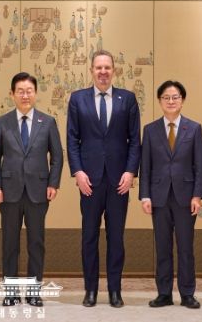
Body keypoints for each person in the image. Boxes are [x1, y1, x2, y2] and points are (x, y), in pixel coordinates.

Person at [66, 50, 140, 308]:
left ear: (114, 70)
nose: (103, 72)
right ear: (91, 71)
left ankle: (115, 291)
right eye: (98, 67)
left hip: (119, 181)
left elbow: (135, 140)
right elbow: (72, 139)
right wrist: (78, 172)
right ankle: (91, 291)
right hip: (89, 181)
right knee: (89, 237)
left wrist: (130, 172)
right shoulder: (78, 99)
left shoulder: (127, 99)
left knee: (116, 238)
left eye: (107, 67)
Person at [0, 72, 63, 307]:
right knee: (10, 244)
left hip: (38, 192)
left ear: (36, 93)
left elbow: (57, 157)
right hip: (8, 192)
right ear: (12, 94)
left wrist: (53, 183)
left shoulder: (47, 122)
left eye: (29, 91)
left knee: (36, 244)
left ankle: (33, 292)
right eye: (20, 91)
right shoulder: (2, 122)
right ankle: (10, 293)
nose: (25, 95)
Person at [139, 80, 202, 309]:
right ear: (160, 101)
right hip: (158, 197)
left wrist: (197, 196)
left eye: (175, 97)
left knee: (186, 247)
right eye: (166, 97)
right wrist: (145, 196)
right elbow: (145, 166)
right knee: (162, 247)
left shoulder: (194, 128)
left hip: (186, 198)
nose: (171, 101)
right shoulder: (150, 130)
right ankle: (164, 293)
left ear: (182, 100)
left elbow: (200, 166)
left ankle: (187, 294)